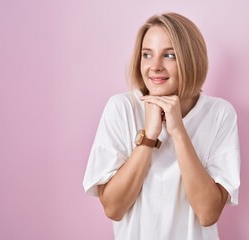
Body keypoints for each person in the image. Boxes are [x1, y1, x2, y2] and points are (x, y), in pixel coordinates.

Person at [83, 12, 240, 240]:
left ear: (191, 59)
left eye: (169, 55)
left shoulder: (219, 114)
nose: (154, 67)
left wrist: (178, 132)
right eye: (147, 55)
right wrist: (149, 137)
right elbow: (113, 209)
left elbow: (208, 214)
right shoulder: (121, 108)